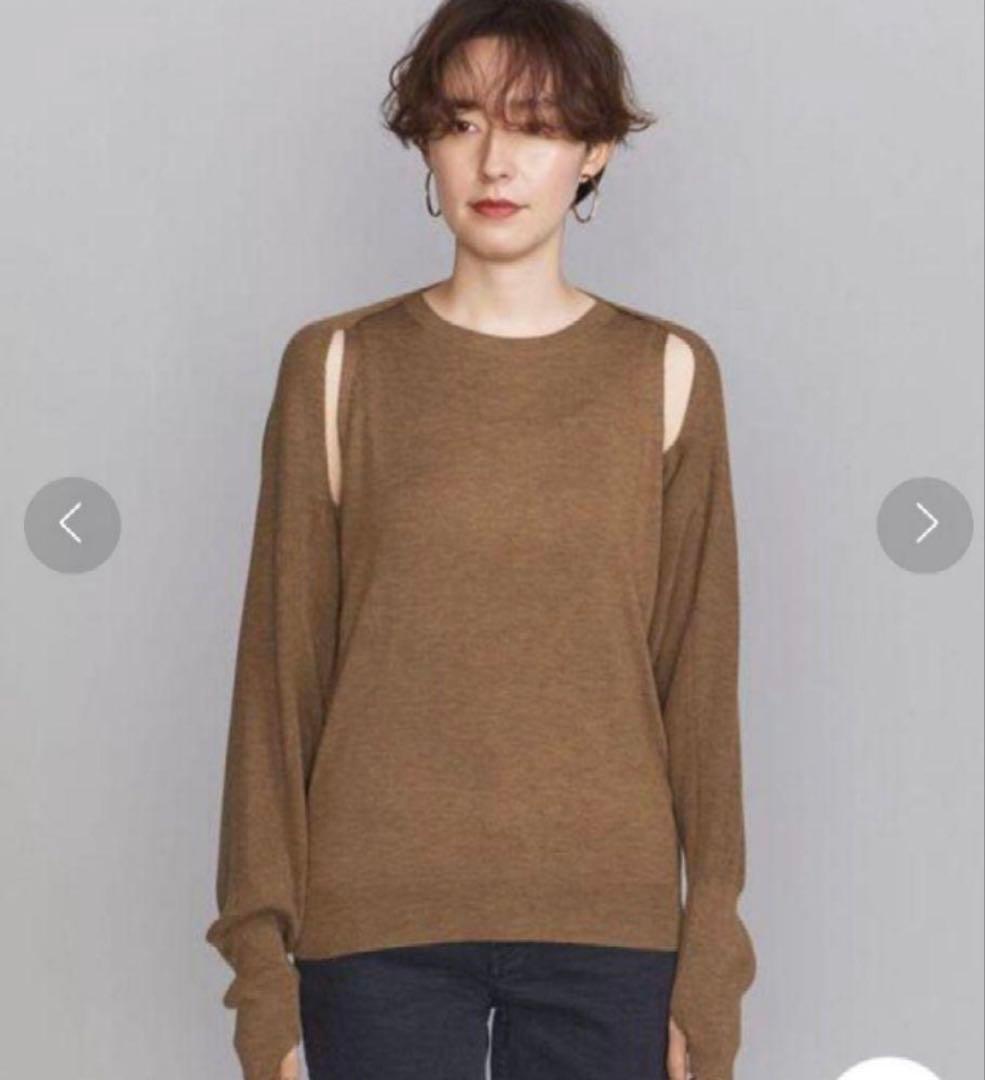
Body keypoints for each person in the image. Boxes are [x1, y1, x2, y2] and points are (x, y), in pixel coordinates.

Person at [204, 1, 756, 1078]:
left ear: (594, 151)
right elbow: (276, 686)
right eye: (461, 122)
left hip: (612, 934)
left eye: (536, 126)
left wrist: (712, 961)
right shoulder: (336, 369)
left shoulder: (668, 374)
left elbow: (699, 688)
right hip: (374, 931)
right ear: (425, 142)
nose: (495, 161)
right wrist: (262, 979)